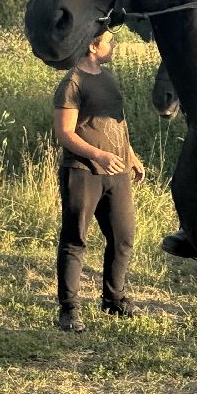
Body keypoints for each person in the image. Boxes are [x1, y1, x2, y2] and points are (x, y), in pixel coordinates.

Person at [52, 28, 144, 333]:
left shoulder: (108, 76)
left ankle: (113, 298)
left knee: (123, 236)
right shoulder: (73, 82)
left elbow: (117, 120)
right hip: (83, 172)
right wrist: (99, 155)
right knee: (75, 238)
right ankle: (69, 310)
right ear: (93, 45)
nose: (113, 45)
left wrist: (130, 155)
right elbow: (64, 133)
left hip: (117, 173)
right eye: (108, 41)